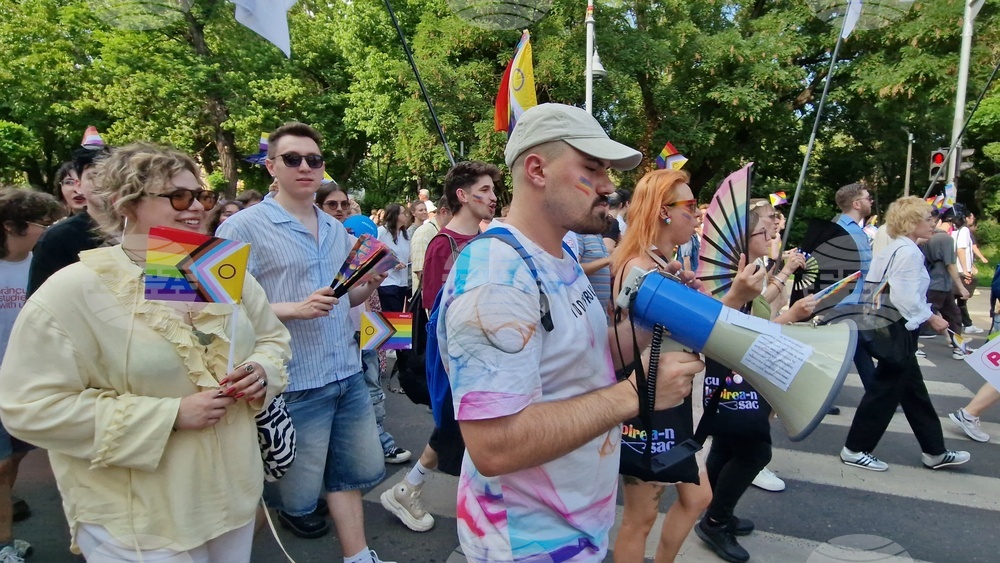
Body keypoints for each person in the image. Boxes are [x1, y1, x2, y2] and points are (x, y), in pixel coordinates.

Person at [437, 103, 704, 562]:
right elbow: (494, 446)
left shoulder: (559, 256)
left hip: (576, 524)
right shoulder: (496, 277)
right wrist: (637, 393)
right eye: (592, 168)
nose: (608, 186)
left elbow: (588, 356)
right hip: (526, 542)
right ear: (537, 170)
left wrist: (655, 317)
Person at [0, 143, 291, 561]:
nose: (196, 207)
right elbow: (29, 407)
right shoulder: (75, 290)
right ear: (126, 204)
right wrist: (168, 416)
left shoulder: (213, 268)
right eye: (178, 196)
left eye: (202, 196)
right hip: (138, 519)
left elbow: (272, 339)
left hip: (230, 499)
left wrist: (260, 370)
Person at [217, 123, 393, 563]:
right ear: (271, 166)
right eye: (292, 158)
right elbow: (219, 308)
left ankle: (359, 556)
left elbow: (343, 299)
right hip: (292, 381)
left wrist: (369, 282)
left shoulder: (335, 229)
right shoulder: (241, 227)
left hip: (346, 372)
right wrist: (293, 308)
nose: (305, 167)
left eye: (313, 159)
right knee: (280, 495)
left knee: (348, 476)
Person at [381, 161, 500, 534]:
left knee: (461, 431)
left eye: (493, 190)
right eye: (484, 190)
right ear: (462, 195)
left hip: (486, 355)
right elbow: (436, 312)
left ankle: (411, 488)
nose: (493, 197)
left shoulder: (485, 241)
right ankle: (466, 514)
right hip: (457, 358)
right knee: (458, 429)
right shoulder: (441, 244)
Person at [695, 200, 816, 563]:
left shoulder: (751, 270)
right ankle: (715, 521)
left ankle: (716, 511)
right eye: (766, 226)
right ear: (745, 236)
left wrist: (783, 278)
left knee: (727, 447)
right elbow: (736, 331)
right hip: (732, 376)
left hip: (741, 373)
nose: (774, 230)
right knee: (755, 452)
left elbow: (757, 308)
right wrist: (790, 317)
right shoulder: (727, 276)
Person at [609, 169, 712, 563]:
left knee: (697, 496)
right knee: (641, 518)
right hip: (649, 402)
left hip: (669, 399)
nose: (697, 215)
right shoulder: (640, 265)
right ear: (664, 211)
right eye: (691, 205)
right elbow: (622, 345)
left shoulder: (660, 261)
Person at [840, 196, 971, 473]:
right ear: (911, 223)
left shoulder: (895, 248)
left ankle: (934, 450)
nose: (933, 223)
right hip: (898, 327)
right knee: (884, 394)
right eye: (927, 219)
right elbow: (905, 297)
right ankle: (855, 448)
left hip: (890, 326)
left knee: (914, 394)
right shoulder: (908, 253)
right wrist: (932, 317)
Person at [316, 183, 409, 465]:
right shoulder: (316, 244)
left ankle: (382, 443)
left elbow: (362, 293)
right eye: (332, 204)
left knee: (373, 387)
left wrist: (373, 289)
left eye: (344, 204)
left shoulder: (355, 241)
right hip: (329, 330)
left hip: (365, 321)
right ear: (318, 207)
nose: (340, 210)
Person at [0, 187, 63, 563]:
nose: (50, 230)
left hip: (26, 380)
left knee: (13, 463)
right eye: (44, 223)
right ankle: (4, 544)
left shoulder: (42, 264)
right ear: (11, 226)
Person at [26, 136, 111, 296]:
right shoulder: (56, 239)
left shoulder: (156, 236)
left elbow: (162, 297)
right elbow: (40, 304)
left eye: (110, 176)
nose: (102, 183)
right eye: (93, 176)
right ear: (79, 185)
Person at [833, 183, 876, 391]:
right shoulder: (852, 231)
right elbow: (868, 269)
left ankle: (876, 393)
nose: (871, 201)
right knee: (846, 351)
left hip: (840, 299)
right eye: (868, 198)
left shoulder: (838, 225)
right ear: (857, 204)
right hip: (850, 300)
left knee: (858, 349)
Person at [920, 213, 969, 359]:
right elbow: (951, 264)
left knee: (951, 314)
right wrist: (961, 287)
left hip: (931, 281)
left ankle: (958, 346)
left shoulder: (926, 238)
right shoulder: (946, 239)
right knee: (927, 316)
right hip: (940, 282)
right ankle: (958, 347)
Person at [952, 207, 983, 333]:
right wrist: (966, 270)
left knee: (958, 300)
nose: (973, 219)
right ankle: (965, 325)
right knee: (960, 298)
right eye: (971, 217)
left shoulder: (955, 231)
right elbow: (961, 249)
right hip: (960, 270)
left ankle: (966, 324)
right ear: (966, 218)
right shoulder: (964, 230)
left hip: (957, 268)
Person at [410, 196, 450, 291]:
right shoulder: (424, 233)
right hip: (429, 298)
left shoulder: (442, 231)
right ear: (444, 212)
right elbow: (422, 274)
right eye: (456, 214)